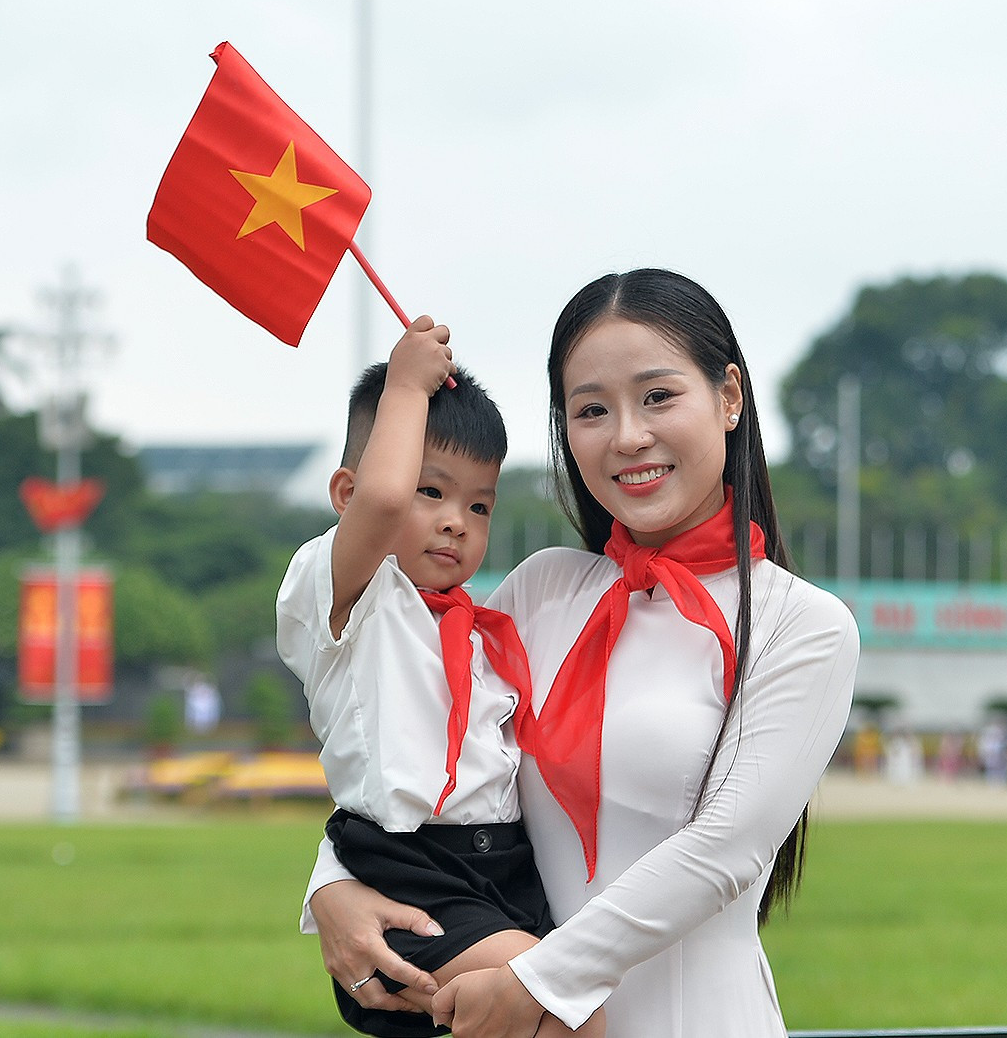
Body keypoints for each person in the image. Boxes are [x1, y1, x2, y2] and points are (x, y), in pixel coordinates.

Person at [307, 270, 860, 1038]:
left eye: (658, 396)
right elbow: (417, 745)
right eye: (591, 409)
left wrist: (540, 982)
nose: (627, 436)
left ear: (730, 397)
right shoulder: (540, 592)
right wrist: (331, 887)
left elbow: (723, 852)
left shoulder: (802, 625)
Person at [277, 316, 599, 1038]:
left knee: (552, 1017)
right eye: (433, 492)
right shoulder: (345, 597)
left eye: (479, 505)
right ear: (346, 493)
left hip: (508, 867)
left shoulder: (479, 628)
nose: (456, 521)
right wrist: (404, 383)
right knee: (566, 1015)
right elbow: (382, 502)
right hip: (414, 868)